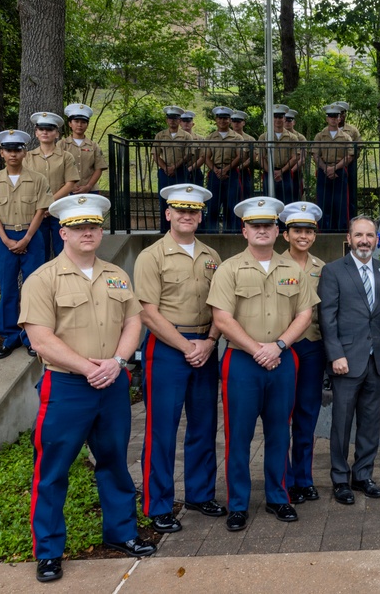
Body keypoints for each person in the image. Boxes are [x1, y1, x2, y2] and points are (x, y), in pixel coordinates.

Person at [19, 194, 156, 583]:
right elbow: (40, 339)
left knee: (114, 462)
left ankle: (122, 533)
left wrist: (116, 363)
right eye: (79, 227)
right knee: (52, 471)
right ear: (63, 232)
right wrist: (87, 368)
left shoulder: (117, 274)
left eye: (93, 226)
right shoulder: (42, 279)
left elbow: (134, 322)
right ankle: (48, 551)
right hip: (66, 387)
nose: (87, 233)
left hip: (112, 383)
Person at [206, 197, 317, 531]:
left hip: (282, 360)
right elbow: (221, 318)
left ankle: (278, 497)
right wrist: (257, 349)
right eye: (256, 226)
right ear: (244, 230)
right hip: (242, 362)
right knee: (238, 436)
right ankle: (238, 504)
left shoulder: (293, 270)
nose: (262, 231)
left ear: (276, 230)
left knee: (279, 433)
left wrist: (280, 345)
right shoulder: (229, 269)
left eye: (268, 225)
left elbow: (305, 313)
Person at [134, 184, 225, 534]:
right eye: (180, 210)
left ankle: (200, 494)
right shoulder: (151, 256)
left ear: (201, 216)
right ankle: (159, 504)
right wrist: (187, 346)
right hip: (169, 347)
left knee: (203, 424)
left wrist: (210, 341)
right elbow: (147, 313)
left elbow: (221, 306)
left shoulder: (211, 256)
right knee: (162, 429)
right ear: (168, 213)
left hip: (206, 344)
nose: (187, 216)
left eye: (194, 211)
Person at [319, 216, 380, 504]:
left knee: (369, 422)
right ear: (349, 237)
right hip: (346, 360)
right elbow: (326, 318)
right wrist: (335, 355)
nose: (364, 240)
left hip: (377, 360)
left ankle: (363, 475)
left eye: (369, 235)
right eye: (359, 235)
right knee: (341, 423)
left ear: (376, 239)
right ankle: (340, 479)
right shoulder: (333, 271)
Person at [0, 130, 51, 359]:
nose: (13, 154)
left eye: (17, 150)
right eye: (9, 150)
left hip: (32, 235)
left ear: (24, 153)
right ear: (2, 153)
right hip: (5, 236)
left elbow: (41, 210)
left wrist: (28, 237)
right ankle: (10, 337)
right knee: (8, 288)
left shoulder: (38, 179)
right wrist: (6, 239)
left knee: (33, 290)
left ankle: (32, 338)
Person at [279, 201, 327, 504]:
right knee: (280, 415)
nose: (303, 236)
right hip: (283, 348)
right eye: (297, 230)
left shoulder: (323, 268)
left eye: (308, 231)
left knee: (307, 415)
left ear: (315, 235)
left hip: (311, 347)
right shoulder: (273, 263)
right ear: (286, 234)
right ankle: (282, 478)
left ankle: (304, 478)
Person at [24, 112, 79, 259]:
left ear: (57, 134)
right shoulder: (27, 157)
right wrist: (42, 206)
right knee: (39, 250)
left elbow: (70, 183)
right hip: (36, 212)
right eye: (41, 129)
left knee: (63, 249)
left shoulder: (66, 156)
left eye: (49, 129)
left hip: (60, 210)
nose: (45, 132)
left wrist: (50, 203)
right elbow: (24, 185)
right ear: (36, 133)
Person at [200, 106, 243, 233]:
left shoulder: (237, 138)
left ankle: (230, 232)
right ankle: (212, 233)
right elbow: (206, 157)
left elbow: (239, 156)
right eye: (220, 118)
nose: (222, 121)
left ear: (229, 120)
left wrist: (226, 169)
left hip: (231, 173)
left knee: (231, 205)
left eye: (225, 118)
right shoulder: (210, 138)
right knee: (213, 205)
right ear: (216, 120)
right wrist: (216, 170)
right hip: (215, 173)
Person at [154, 106, 195, 233]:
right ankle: (164, 229)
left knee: (181, 200)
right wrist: (166, 167)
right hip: (164, 172)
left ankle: (180, 228)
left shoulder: (186, 136)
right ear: (167, 120)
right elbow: (155, 154)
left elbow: (189, 154)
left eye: (175, 118)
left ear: (179, 120)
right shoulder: (160, 135)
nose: (172, 121)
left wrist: (175, 166)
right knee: (164, 200)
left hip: (180, 171)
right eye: (170, 118)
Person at [313, 104, 354, 232]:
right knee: (323, 202)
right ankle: (323, 231)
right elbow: (315, 155)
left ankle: (341, 231)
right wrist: (326, 168)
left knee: (340, 203)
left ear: (340, 119)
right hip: (323, 170)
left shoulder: (346, 137)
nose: (333, 119)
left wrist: (334, 168)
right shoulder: (320, 136)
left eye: (335, 117)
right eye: (330, 117)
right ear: (327, 119)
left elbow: (349, 156)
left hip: (340, 171)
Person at [58, 103, 107, 195]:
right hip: (66, 190)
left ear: (87, 125)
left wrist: (88, 186)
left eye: (83, 122)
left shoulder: (93, 146)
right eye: (76, 121)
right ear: (70, 123)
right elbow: (57, 168)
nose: (79, 125)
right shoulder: (61, 144)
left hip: (90, 190)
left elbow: (99, 168)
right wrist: (68, 185)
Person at [258, 104, 301, 202]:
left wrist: (280, 172)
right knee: (268, 202)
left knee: (286, 202)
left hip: (285, 174)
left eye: (280, 117)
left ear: (284, 119)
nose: (278, 119)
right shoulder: (264, 137)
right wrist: (271, 172)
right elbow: (260, 157)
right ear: (271, 118)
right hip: (268, 172)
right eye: (275, 117)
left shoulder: (292, 138)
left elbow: (295, 157)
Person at [335, 101, 360, 218]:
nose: (341, 116)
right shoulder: (326, 131)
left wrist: (350, 158)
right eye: (339, 114)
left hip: (349, 165)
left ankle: (351, 218)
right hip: (333, 165)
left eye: (343, 113)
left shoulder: (352, 130)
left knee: (351, 193)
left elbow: (359, 146)